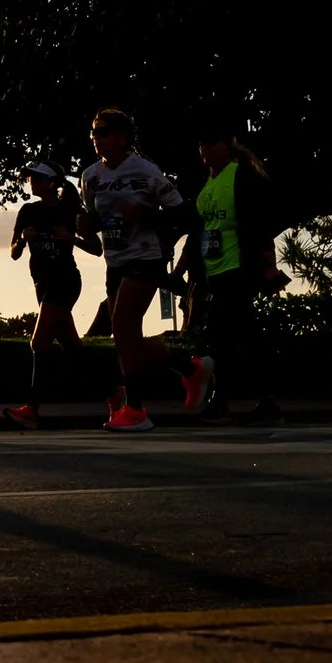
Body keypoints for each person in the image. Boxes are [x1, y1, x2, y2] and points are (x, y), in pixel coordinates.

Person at [80, 109, 204, 433]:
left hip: (146, 256)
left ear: (123, 136)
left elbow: (185, 216)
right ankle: (189, 368)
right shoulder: (90, 176)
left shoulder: (146, 171)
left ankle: (136, 409)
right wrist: (88, 225)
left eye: (104, 132)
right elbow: (100, 222)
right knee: (126, 337)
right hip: (114, 261)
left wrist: (148, 214)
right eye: (94, 133)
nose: (97, 139)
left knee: (122, 326)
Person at [183, 113, 288, 425]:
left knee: (228, 336)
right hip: (214, 270)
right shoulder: (207, 184)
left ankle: (232, 399)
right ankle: (247, 400)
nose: (205, 149)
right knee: (233, 336)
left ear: (227, 147)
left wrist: (268, 265)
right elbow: (200, 230)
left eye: (211, 143)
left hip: (238, 267)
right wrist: (182, 270)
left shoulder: (241, 177)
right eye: (202, 145)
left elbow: (260, 223)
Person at [5, 161, 92, 429]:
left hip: (65, 281)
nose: (31, 182)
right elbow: (13, 252)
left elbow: (96, 248)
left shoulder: (71, 210)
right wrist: (22, 239)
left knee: (38, 342)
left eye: (37, 178)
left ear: (51, 182)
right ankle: (114, 393)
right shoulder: (28, 211)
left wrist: (72, 239)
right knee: (72, 348)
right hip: (41, 284)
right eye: (30, 178)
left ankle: (31, 408)